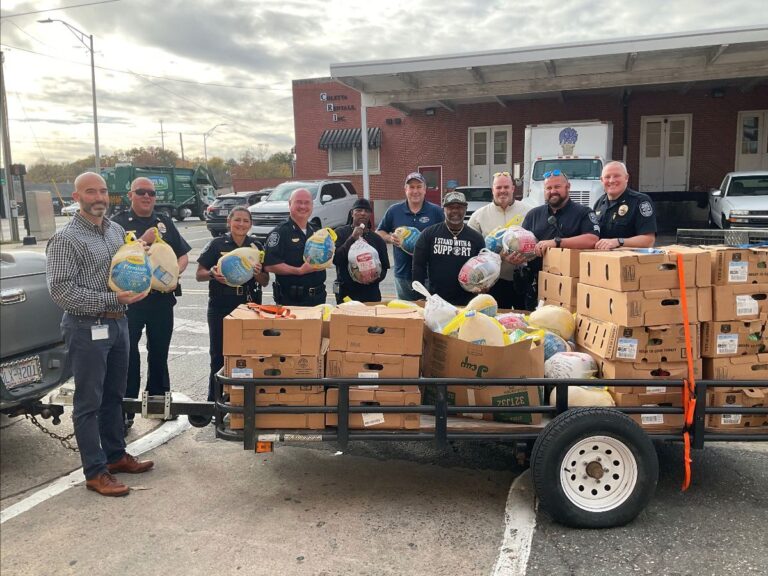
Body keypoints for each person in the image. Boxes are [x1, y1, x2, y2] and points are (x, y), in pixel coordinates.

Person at [46, 172, 154, 497]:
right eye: (90, 191)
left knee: (114, 395)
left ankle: (116, 455)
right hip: (85, 326)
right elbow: (61, 291)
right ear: (76, 197)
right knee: (88, 401)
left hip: (118, 322)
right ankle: (95, 471)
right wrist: (112, 299)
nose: (99, 197)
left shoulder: (116, 231)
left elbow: (124, 268)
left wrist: (142, 264)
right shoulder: (66, 239)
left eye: (103, 191)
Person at [111, 177, 191, 433]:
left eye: (151, 193)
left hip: (161, 300)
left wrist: (175, 273)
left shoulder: (164, 221)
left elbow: (183, 254)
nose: (147, 197)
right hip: (131, 300)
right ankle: (126, 409)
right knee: (128, 355)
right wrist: (140, 241)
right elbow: (113, 258)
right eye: (141, 192)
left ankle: (157, 401)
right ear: (130, 194)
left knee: (159, 351)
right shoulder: (118, 223)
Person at [197, 207, 269, 402]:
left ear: (250, 224)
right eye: (237, 220)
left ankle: (242, 400)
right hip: (221, 304)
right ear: (229, 222)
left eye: (246, 221)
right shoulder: (217, 244)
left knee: (248, 354)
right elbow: (199, 274)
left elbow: (265, 281)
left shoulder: (257, 246)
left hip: (249, 306)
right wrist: (212, 273)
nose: (241, 224)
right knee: (218, 355)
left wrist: (257, 273)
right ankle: (215, 401)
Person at [516, 170, 600, 309]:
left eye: (557, 187)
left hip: (572, 286)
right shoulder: (533, 215)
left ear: (568, 187)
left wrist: (557, 242)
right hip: (537, 287)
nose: (552, 191)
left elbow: (592, 239)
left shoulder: (583, 213)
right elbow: (521, 243)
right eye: (548, 188)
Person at [467, 171, 531, 309]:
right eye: (498, 188)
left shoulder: (529, 212)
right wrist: (497, 257)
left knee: (524, 320)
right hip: (493, 283)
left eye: (506, 187)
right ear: (493, 190)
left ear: (513, 188)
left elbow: (536, 244)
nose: (503, 191)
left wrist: (526, 258)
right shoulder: (478, 216)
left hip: (523, 279)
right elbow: (471, 253)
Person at [376, 172, 444, 301]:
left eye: (419, 187)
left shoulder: (436, 211)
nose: (415, 191)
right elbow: (380, 232)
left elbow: (445, 236)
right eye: (411, 187)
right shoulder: (394, 210)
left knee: (429, 315)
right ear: (405, 190)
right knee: (406, 315)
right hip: (402, 275)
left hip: (429, 276)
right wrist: (390, 238)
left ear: (425, 190)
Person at [412, 191, 485, 306]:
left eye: (459, 207)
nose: (455, 211)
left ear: (465, 209)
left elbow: (483, 269)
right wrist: (420, 296)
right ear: (444, 209)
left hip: (467, 302)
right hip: (436, 300)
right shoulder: (429, 234)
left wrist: (482, 288)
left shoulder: (476, 238)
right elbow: (418, 266)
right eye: (450, 207)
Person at [263, 188, 328, 306]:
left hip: (318, 298)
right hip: (291, 301)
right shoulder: (280, 232)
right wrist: (298, 271)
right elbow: (270, 265)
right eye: (299, 202)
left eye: (307, 202)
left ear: (312, 206)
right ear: (289, 204)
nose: (303, 206)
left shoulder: (317, 231)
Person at [333, 198, 390, 303]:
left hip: (370, 293)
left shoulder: (377, 239)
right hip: (346, 294)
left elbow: (385, 267)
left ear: (370, 215)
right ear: (352, 213)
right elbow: (336, 259)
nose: (363, 213)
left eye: (367, 211)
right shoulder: (340, 233)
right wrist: (352, 238)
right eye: (359, 210)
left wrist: (374, 278)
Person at [593, 161, 657, 249]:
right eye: (607, 177)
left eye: (616, 176)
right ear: (601, 180)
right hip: (602, 259)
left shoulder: (640, 201)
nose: (611, 180)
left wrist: (618, 241)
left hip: (629, 260)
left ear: (626, 178)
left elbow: (648, 241)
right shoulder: (599, 203)